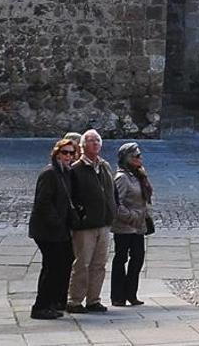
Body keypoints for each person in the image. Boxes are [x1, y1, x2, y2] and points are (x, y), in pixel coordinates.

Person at [67, 129, 116, 314]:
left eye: (97, 141)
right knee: (82, 263)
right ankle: (75, 300)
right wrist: (80, 216)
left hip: (103, 223)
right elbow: (71, 196)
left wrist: (112, 212)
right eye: (90, 141)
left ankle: (94, 299)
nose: (94, 144)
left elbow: (111, 192)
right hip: (85, 225)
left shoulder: (104, 166)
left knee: (99, 264)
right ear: (83, 146)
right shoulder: (76, 169)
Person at [28, 139, 77, 320]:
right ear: (57, 154)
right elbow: (43, 203)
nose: (68, 156)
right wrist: (57, 222)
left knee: (65, 261)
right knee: (51, 266)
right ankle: (40, 306)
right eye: (65, 152)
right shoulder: (49, 173)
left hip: (60, 229)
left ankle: (54, 302)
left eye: (72, 153)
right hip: (47, 230)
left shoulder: (66, 173)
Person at [111, 142, 153, 307]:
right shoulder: (121, 177)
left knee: (138, 258)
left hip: (138, 226)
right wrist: (131, 216)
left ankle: (131, 293)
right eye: (136, 156)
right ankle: (118, 296)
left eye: (140, 155)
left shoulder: (139, 175)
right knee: (121, 259)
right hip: (125, 226)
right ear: (128, 159)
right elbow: (116, 203)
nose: (140, 158)